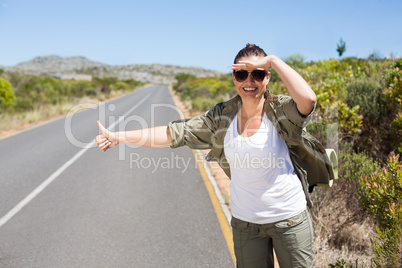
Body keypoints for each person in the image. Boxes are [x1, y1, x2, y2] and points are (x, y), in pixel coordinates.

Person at [96, 44, 335, 268]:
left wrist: (272, 60)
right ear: (234, 78)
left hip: (289, 219)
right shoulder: (222, 117)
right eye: (242, 74)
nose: (249, 81)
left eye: (258, 74)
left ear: (268, 76)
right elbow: (173, 133)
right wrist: (118, 137)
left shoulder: (281, 110)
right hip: (246, 224)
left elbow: (308, 100)